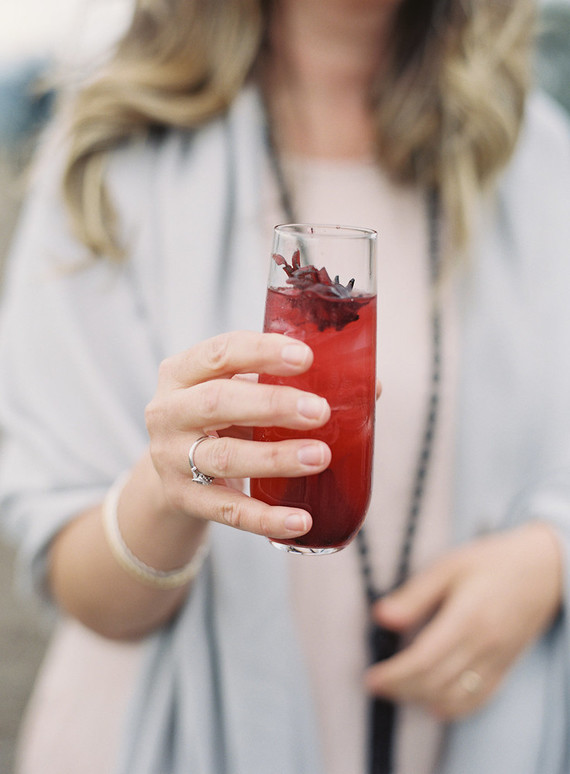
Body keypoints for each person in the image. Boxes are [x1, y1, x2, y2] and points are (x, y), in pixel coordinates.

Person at [1, 1, 569, 773]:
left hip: (462, 733)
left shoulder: (537, 161)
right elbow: (79, 583)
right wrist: (168, 491)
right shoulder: (114, 153)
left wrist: (550, 560)